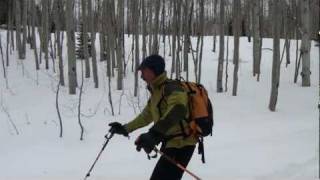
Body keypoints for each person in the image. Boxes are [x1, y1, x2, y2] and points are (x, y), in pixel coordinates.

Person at [108, 54, 197, 180]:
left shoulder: (172, 87)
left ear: (152, 70)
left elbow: (178, 109)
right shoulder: (157, 91)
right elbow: (145, 116)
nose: (141, 76)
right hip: (171, 143)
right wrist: (125, 128)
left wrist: (154, 134)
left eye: (143, 71)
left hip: (182, 143)